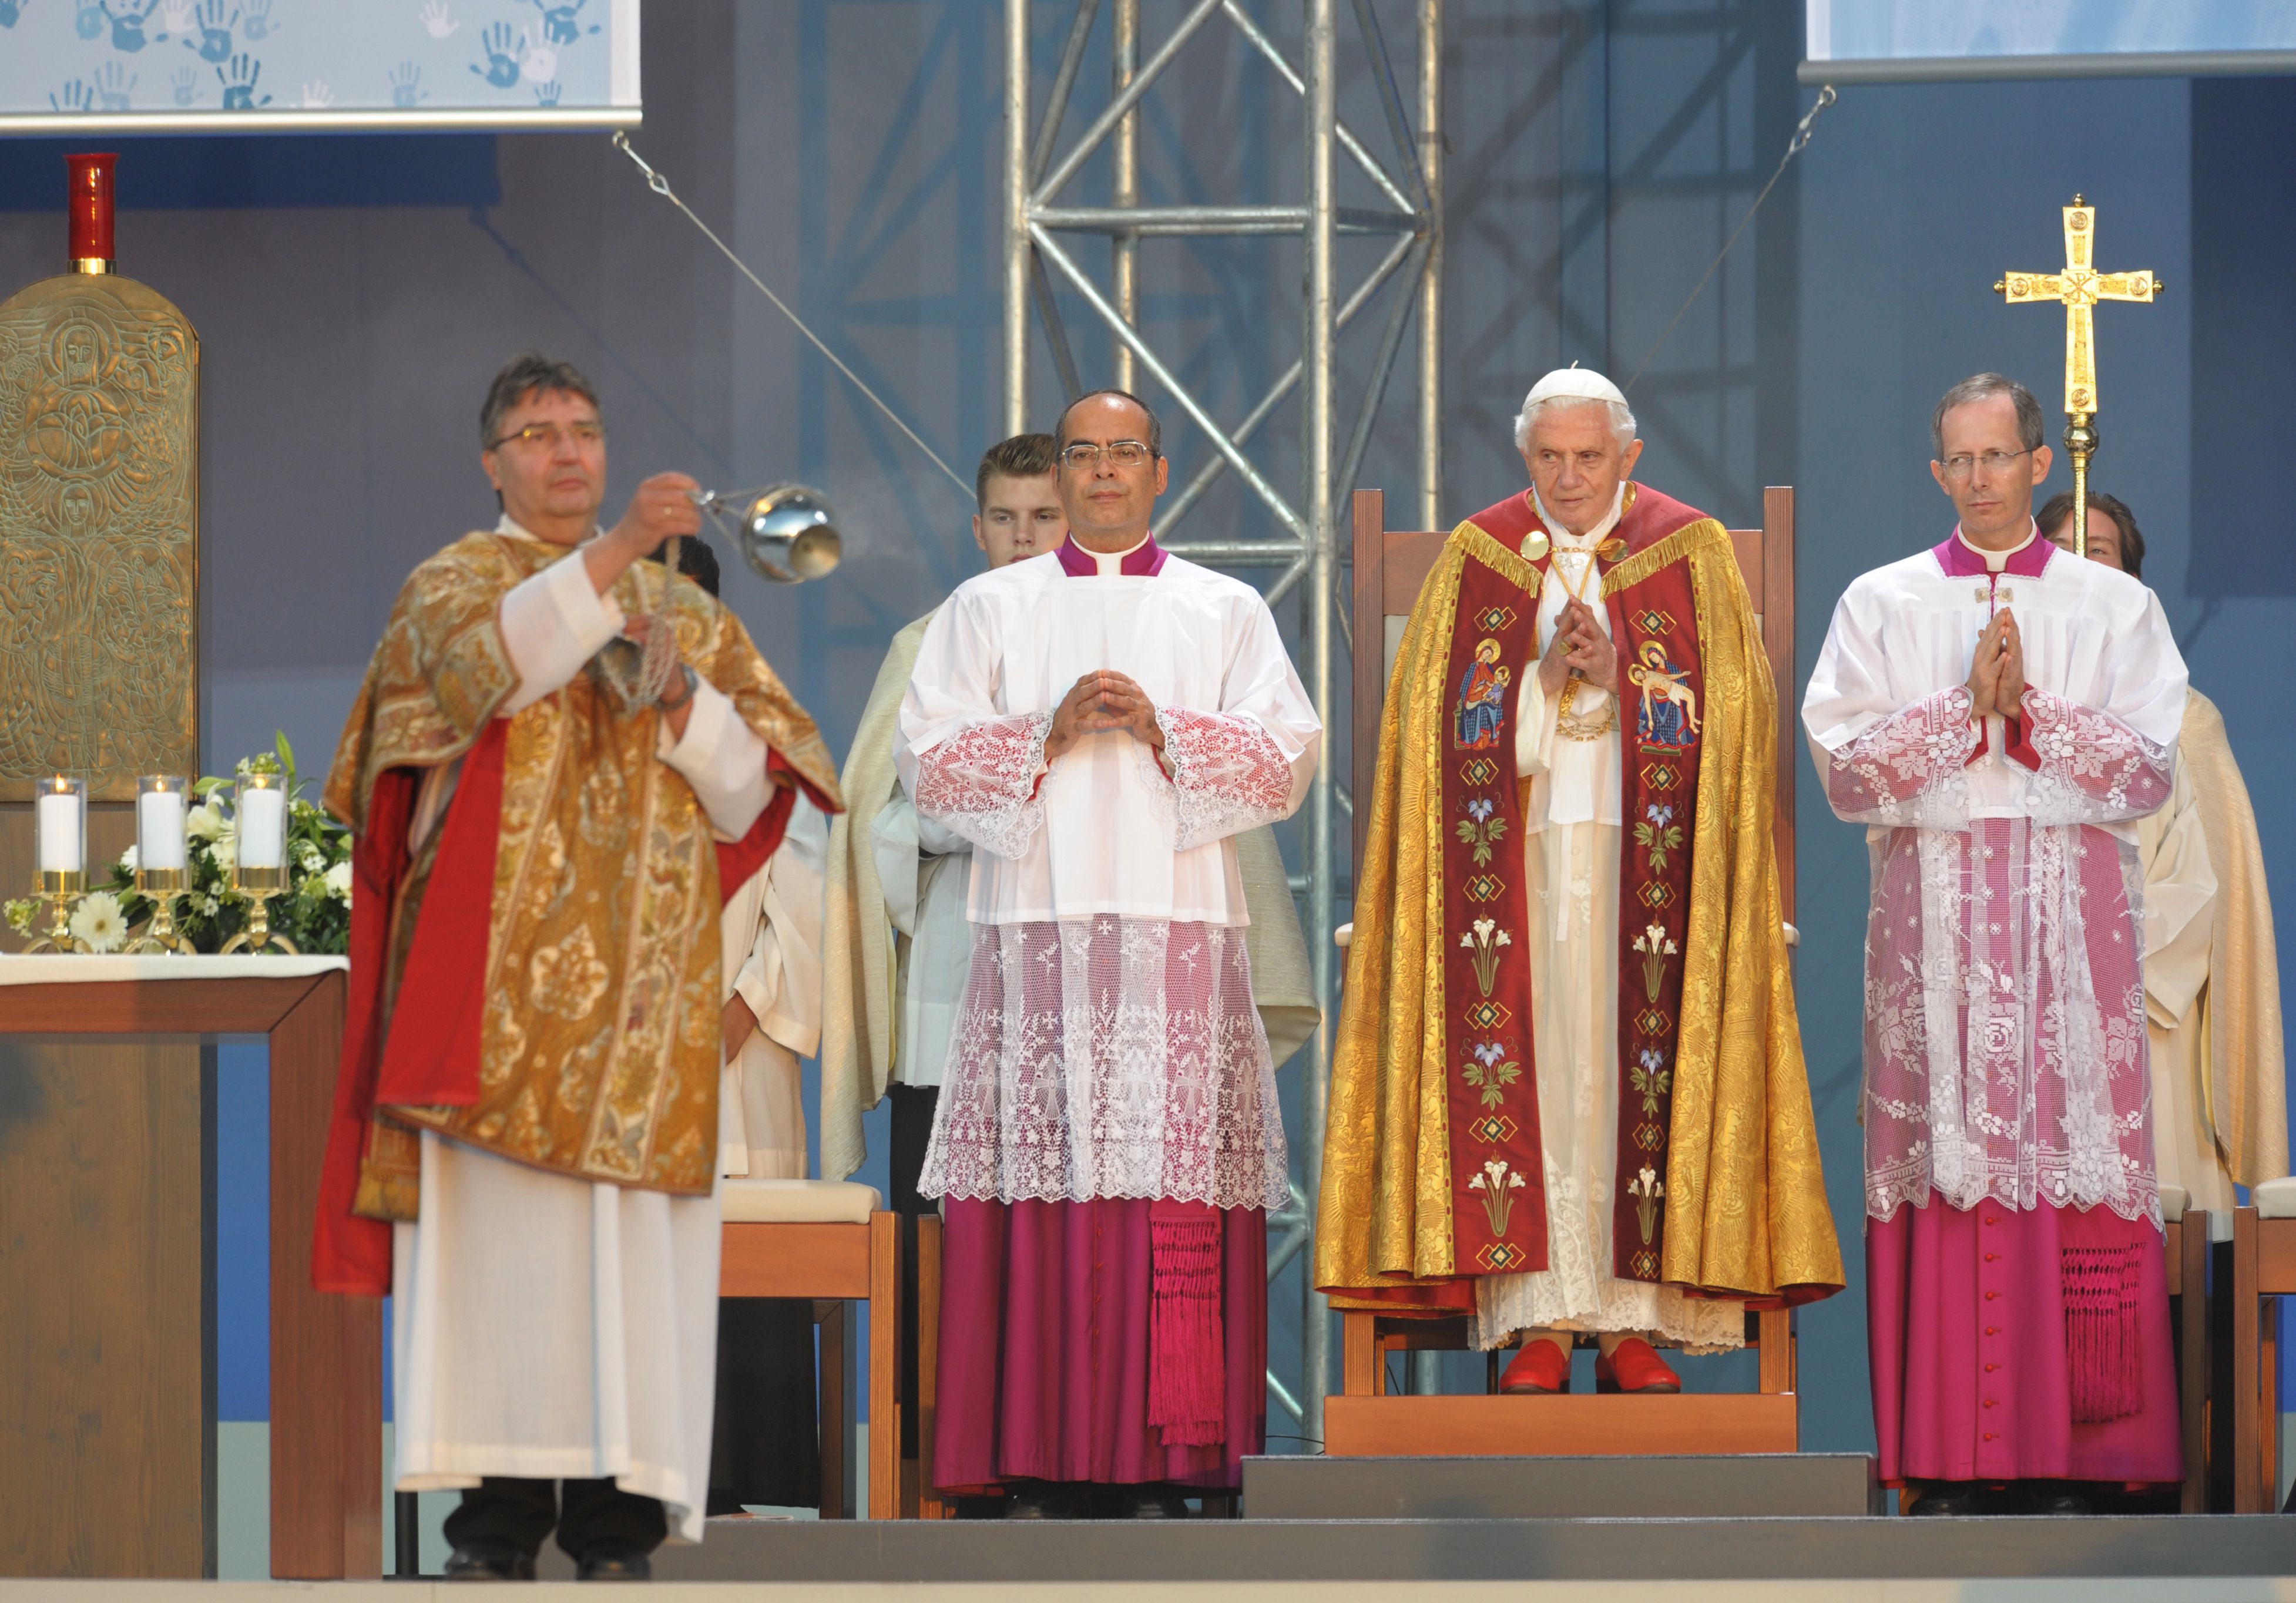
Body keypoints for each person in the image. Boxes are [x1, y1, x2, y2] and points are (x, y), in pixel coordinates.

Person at [314, 352, 842, 1578]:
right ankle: (494, 1528)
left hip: (645, 1001)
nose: (565, 450)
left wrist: (681, 706)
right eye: (537, 433)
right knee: (504, 1268)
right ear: (492, 461)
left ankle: (616, 1527)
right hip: (494, 1000)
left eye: (585, 430)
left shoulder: (689, 612)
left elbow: (748, 794)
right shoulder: (452, 581)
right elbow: (483, 670)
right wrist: (613, 558)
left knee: (626, 1271)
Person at [1317, 365, 1841, 1394]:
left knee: (1623, 1069)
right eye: (1548, 457)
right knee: (1545, 1074)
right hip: (1512, 869)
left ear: (1628, 456)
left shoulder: (1686, 552)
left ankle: (1637, 1320)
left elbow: (1738, 730)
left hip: (1654, 866)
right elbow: (1434, 741)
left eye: (1587, 457)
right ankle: (1541, 1319)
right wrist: (1545, 679)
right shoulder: (1475, 559)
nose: (1566, 477)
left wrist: (1629, 679)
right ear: (1526, 456)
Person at [900, 390, 1320, 1518]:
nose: (1099, 471)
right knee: (1040, 1186)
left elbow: (1284, 760)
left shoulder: (1220, 605)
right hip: (1033, 929)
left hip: (1174, 927)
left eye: (1120, 452)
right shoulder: (987, 605)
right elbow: (928, 762)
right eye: (1081, 452)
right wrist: (1041, 732)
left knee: (1165, 1181)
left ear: (1158, 469)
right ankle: (1034, 1441)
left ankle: (1174, 1448)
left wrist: (1160, 726)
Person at [1805, 374, 2187, 1515]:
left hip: (2069, 930)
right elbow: (1843, 768)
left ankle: (2092, 1456)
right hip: (1935, 931)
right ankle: (1951, 1455)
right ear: (1937, 473)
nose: (1978, 478)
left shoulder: (2109, 605)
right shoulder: (1881, 600)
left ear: (2036, 463)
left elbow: (2148, 765)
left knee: (2067, 1160)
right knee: (1951, 1163)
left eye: (1996, 457)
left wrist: (2027, 717)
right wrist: (1957, 712)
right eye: (1957, 461)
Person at [2039, 490, 2287, 1214]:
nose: (2081, 566)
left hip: (2146, 1013)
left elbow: (2202, 883)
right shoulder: (1997, 714)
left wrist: (2101, 962)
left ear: (2136, 588)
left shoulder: (2181, 717)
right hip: (2025, 1010)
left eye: (2101, 551)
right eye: (2060, 551)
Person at [662, 536, 837, 1517]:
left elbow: (805, 882)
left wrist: (746, 1003)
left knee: (748, 1261)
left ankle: (756, 1490)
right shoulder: (589, 734)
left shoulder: (767, 728)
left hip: (739, 1045)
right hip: (626, 1055)